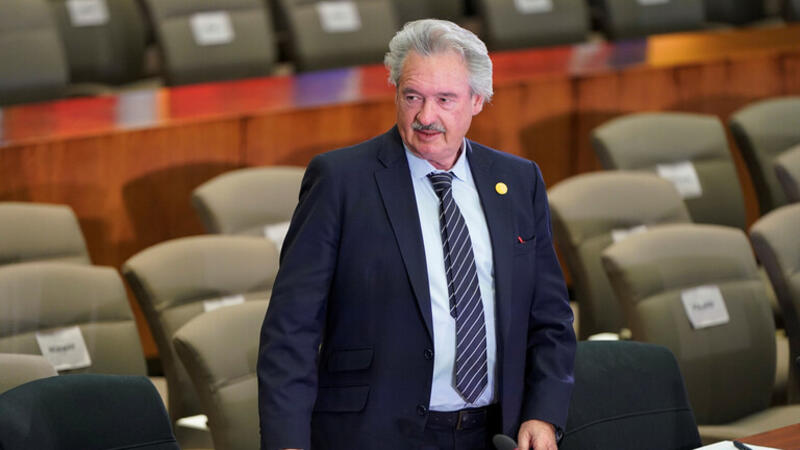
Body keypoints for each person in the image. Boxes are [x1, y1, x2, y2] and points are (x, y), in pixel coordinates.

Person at [258, 19, 576, 450]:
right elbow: (291, 329)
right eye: (412, 97)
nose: (426, 117)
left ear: (477, 100)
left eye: (445, 99)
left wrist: (544, 412)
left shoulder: (518, 181)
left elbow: (550, 317)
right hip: (374, 434)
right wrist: (287, 443)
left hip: (495, 431)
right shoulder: (340, 181)